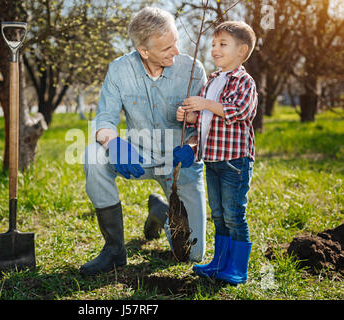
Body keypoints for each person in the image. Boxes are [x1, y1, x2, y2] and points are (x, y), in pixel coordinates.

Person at [81, 7, 208, 276]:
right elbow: (104, 120)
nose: (176, 51)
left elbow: (208, 124)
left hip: (180, 162)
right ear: (144, 51)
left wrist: (194, 146)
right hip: (138, 155)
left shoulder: (193, 70)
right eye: (166, 48)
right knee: (93, 155)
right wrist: (114, 144)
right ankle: (114, 249)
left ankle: (160, 212)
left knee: (191, 254)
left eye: (176, 42)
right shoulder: (119, 70)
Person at [175, 21, 257, 284]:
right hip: (212, 159)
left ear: (242, 51)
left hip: (235, 161)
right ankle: (219, 262)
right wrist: (189, 116)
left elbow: (240, 111)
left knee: (234, 214)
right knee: (219, 213)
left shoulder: (244, 81)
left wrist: (205, 103)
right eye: (213, 44)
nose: (215, 49)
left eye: (223, 44)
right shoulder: (212, 80)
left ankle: (237, 268)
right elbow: (205, 121)